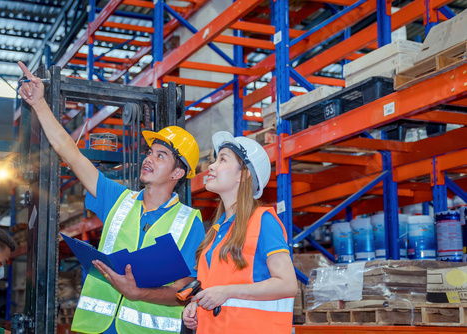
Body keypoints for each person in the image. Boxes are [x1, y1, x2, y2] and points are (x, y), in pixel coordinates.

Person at [17, 62, 205, 334]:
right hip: (97, 328)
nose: (148, 159)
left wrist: (139, 293)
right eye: (150, 152)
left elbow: (183, 289)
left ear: (178, 172)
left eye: (160, 155)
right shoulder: (119, 199)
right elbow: (69, 153)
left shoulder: (190, 222)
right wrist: (39, 104)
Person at [182, 131, 297, 334]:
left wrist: (227, 291)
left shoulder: (263, 221)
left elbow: (287, 284)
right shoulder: (217, 231)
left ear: (242, 174)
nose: (211, 166)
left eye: (222, 159)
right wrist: (198, 305)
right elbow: (217, 289)